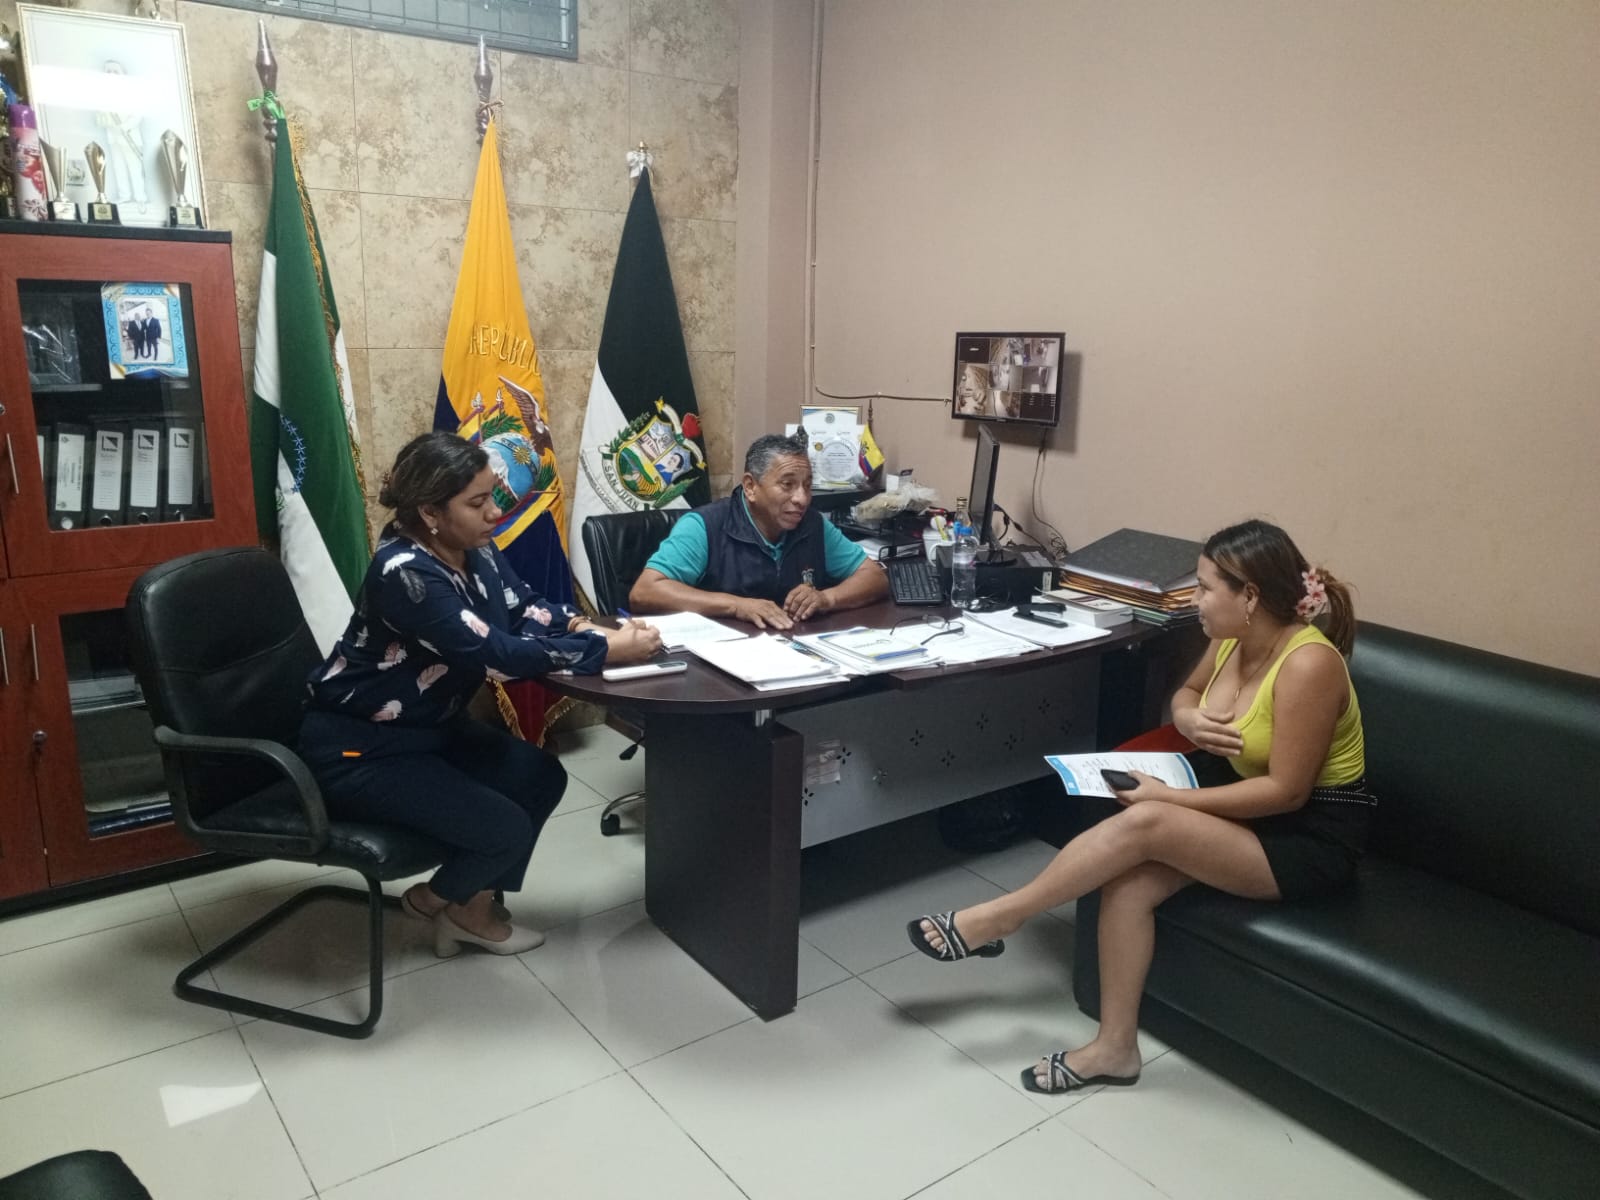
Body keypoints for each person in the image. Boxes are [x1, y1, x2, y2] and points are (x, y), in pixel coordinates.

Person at [904, 519, 1371, 1094]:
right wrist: (1189, 718)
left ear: (1250, 596)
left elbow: (1287, 792)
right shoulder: (1232, 636)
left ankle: (1004, 916)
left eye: (1205, 588)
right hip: (1247, 809)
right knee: (1127, 886)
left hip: (1306, 834)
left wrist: (1169, 797)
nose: (1194, 600)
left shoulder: (1308, 664)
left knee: (1148, 817)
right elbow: (1185, 695)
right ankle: (1115, 1049)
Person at [297, 432, 663, 956]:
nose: (495, 512)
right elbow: (496, 655)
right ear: (430, 512)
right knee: (503, 828)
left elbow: (523, 607)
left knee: (539, 776)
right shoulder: (404, 574)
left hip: (430, 729)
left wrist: (583, 625)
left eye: (492, 495)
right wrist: (606, 650)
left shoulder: (474, 548)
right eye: (478, 502)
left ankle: (468, 908)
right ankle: (435, 899)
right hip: (361, 749)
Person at [629, 432, 889, 629]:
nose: (802, 499)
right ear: (750, 487)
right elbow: (645, 592)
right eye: (787, 485)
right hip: (716, 661)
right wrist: (736, 606)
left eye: (807, 486)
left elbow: (874, 578)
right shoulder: (705, 526)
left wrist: (826, 599)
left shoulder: (812, 524)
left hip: (792, 654)